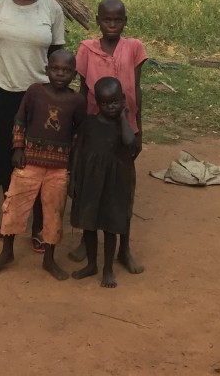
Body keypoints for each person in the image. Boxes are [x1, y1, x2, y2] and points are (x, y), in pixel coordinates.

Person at [0, 0, 66, 250]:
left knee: (41, 161)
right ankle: (8, 223)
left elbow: (57, 53)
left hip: (41, 95)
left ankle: (40, 228)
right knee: (7, 160)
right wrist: (3, 69)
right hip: (5, 91)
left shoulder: (52, 10)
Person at [0, 49, 86, 279]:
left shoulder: (77, 101)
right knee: (14, 206)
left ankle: (49, 259)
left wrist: (73, 163)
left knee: (54, 212)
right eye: (55, 68)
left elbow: (80, 133)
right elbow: (20, 119)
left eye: (66, 70)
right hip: (29, 162)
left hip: (58, 168)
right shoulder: (35, 92)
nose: (60, 74)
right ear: (47, 69)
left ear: (74, 74)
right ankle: (6, 252)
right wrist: (18, 148)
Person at [68, 0, 147, 273]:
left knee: (122, 190)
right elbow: (81, 91)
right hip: (93, 128)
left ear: (125, 21)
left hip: (123, 130)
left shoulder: (134, 48)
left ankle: (123, 248)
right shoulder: (86, 49)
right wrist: (77, 129)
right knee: (90, 186)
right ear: (98, 21)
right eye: (106, 19)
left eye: (117, 20)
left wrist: (138, 130)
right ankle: (85, 243)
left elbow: (136, 90)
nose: (112, 25)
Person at [69, 76, 138, 288]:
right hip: (90, 182)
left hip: (113, 185)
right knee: (89, 226)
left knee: (110, 227)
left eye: (115, 102)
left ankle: (108, 269)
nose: (111, 107)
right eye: (105, 103)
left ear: (123, 100)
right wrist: (73, 180)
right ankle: (92, 265)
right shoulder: (89, 124)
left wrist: (122, 118)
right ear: (97, 103)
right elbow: (77, 152)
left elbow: (130, 142)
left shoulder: (122, 126)